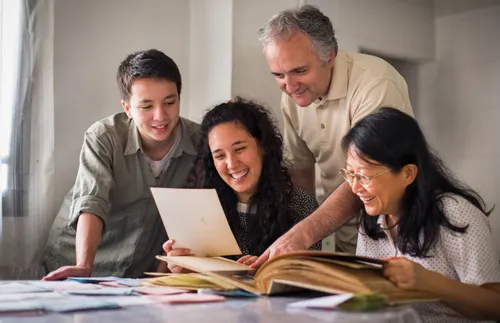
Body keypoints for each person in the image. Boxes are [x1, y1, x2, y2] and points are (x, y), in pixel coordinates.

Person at [252, 4, 414, 266]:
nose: (289, 86)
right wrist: (298, 248)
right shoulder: (293, 97)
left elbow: (368, 176)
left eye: (300, 71)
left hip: (397, 238)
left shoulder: (376, 83)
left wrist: (302, 234)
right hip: (343, 237)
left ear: (330, 55)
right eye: (278, 75)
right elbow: (301, 175)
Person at [42, 49, 201, 279]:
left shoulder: (200, 142)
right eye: (147, 106)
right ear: (127, 108)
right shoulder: (104, 137)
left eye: (169, 102)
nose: (160, 116)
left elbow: (188, 219)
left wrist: (165, 275)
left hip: (138, 272)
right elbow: (92, 203)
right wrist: (83, 265)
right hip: (74, 263)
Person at [341, 107, 500, 322]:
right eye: (350, 174)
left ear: (408, 173)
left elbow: (494, 306)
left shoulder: (455, 214)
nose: (355, 188)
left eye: (364, 176)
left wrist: (431, 283)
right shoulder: (372, 218)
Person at [161, 97, 321, 273]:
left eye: (239, 149)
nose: (232, 164)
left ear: (263, 146)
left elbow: (309, 276)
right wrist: (183, 268)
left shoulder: (301, 205)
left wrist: (267, 270)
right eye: (220, 156)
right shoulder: (198, 208)